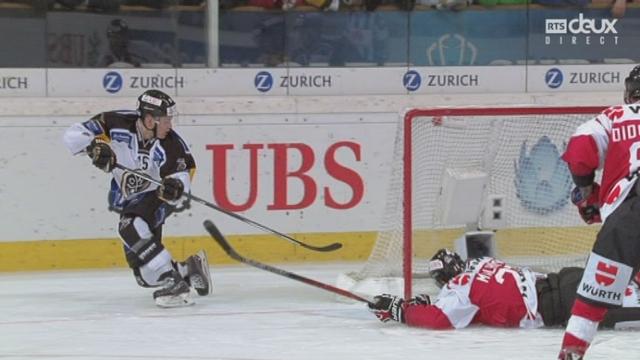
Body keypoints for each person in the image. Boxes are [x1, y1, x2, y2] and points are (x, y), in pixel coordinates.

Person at [62, 89, 212, 308]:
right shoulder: (114, 122)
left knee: (129, 226)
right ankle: (189, 269)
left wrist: (176, 187)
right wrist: (94, 146)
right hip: (130, 200)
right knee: (144, 275)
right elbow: (72, 134)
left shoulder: (171, 143)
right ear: (150, 119)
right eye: (166, 119)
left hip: (157, 196)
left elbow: (184, 173)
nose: (170, 125)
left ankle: (173, 281)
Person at [553, 64, 640, 359]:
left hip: (629, 215)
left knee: (592, 300)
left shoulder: (616, 117)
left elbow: (579, 151)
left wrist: (588, 191)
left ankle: (571, 354)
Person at [368, 249, 640, 332]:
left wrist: (402, 310)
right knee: (626, 282)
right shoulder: (481, 262)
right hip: (566, 278)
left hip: (559, 304)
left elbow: (441, 319)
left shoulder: (460, 290)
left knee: (626, 312)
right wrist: (425, 303)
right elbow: (484, 305)